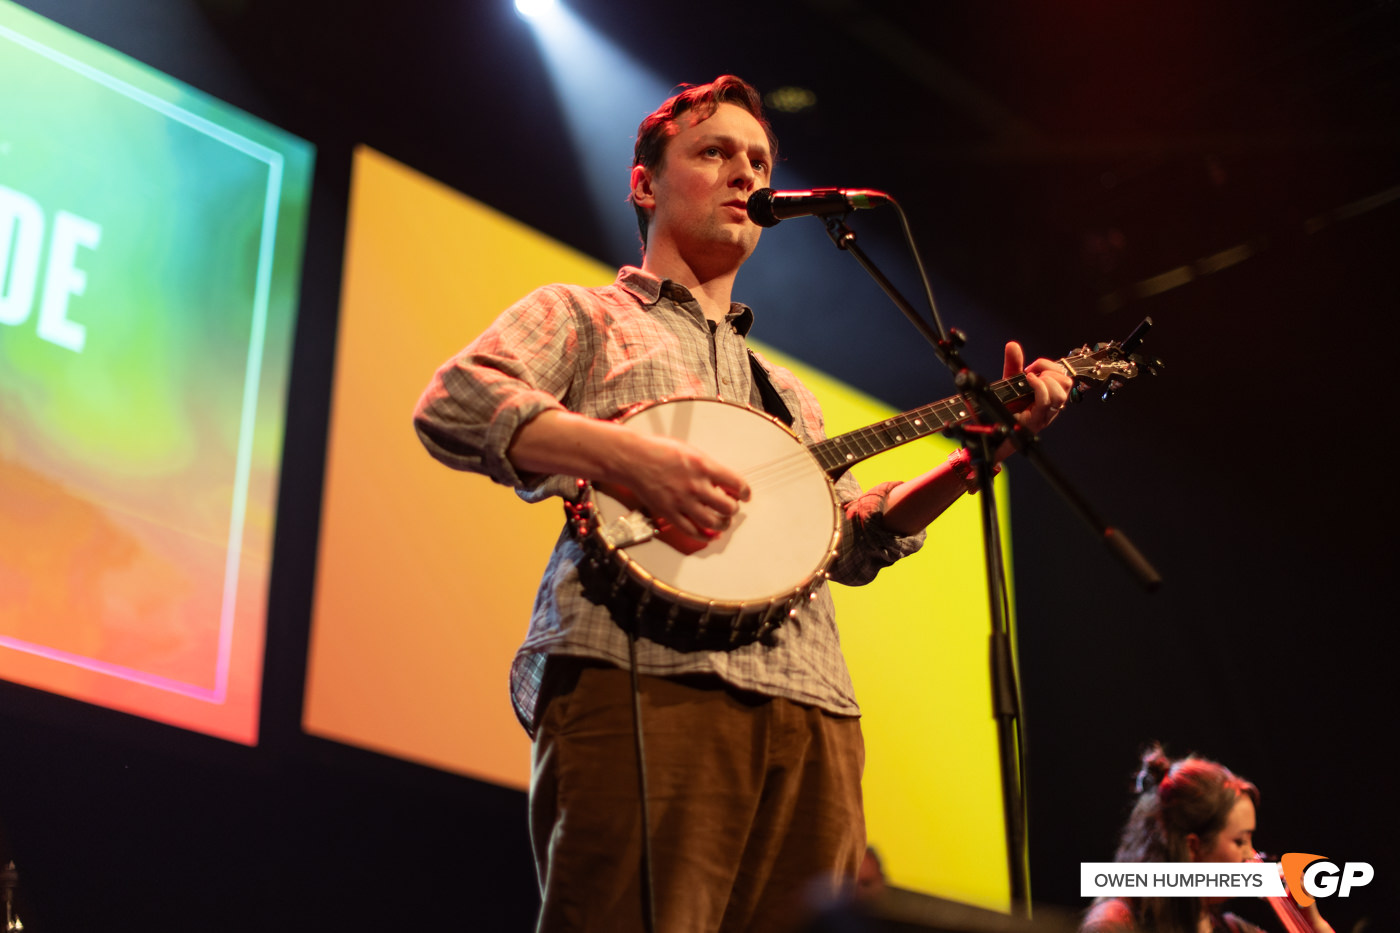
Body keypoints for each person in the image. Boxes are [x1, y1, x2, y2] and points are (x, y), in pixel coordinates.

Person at [414, 75, 1072, 933]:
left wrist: (974, 461)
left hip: (814, 709)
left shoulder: (789, 395)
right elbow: (455, 400)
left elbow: (856, 541)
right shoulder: (584, 317)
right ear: (646, 183)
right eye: (714, 151)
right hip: (644, 672)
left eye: (758, 159)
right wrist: (624, 457)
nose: (744, 173)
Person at [1081, 745, 1335, 933]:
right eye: (1239, 841)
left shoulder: (1231, 929)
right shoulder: (1115, 926)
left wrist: (1309, 924)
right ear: (1193, 847)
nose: (1251, 856)